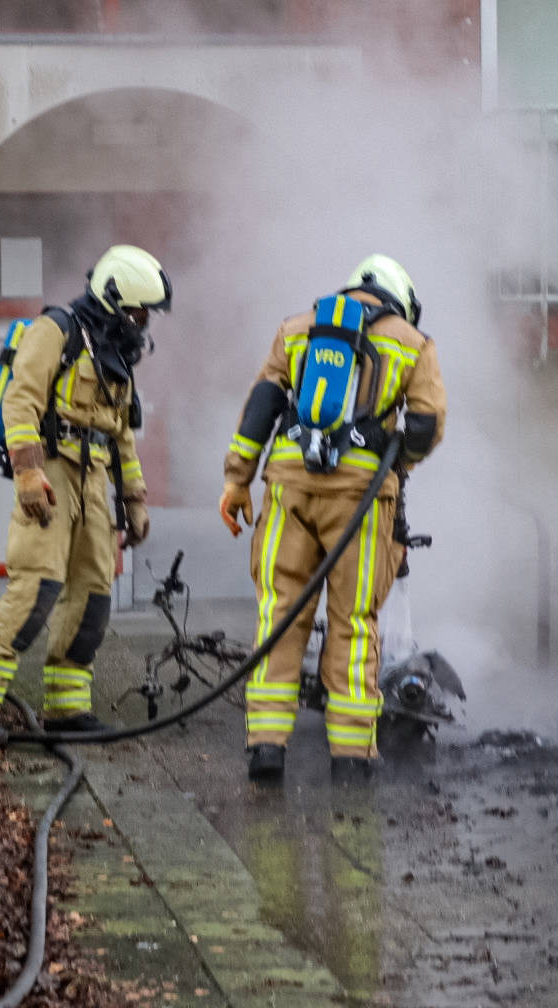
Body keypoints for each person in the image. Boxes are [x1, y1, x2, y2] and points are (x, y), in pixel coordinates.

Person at [218, 254, 447, 781]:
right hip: (361, 502)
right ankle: (349, 757)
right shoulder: (413, 342)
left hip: (287, 490)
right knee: (353, 623)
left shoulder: (298, 329)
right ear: (400, 300)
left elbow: (261, 406)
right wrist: (394, 464)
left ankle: (267, 748)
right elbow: (428, 424)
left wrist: (237, 480)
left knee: (279, 612)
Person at [0, 244, 170, 734]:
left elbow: (122, 434)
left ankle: (66, 708)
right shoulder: (56, 330)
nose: (143, 322)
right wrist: (28, 473)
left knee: (93, 593)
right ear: (115, 298)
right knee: (38, 583)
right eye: (139, 311)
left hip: (94, 478)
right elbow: (21, 402)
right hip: (51, 472)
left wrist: (133, 499)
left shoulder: (115, 352)